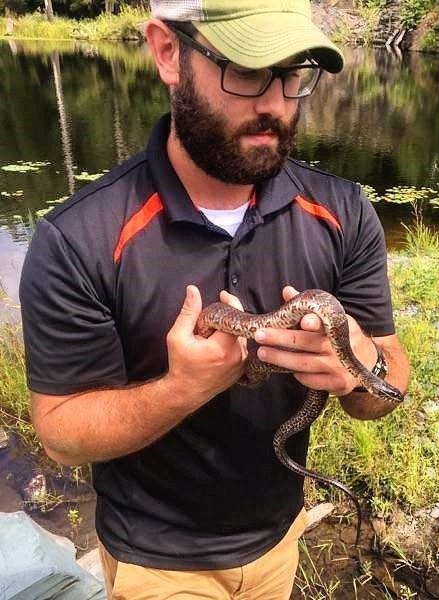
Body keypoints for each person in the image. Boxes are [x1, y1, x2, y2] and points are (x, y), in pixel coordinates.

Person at [19, 0, 411, 598]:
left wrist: (360, 371)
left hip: (279, 539)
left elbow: (389, 381)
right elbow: (59, 434)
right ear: (167, 52)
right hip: (158, 560)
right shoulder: (79, 239)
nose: (274, 103)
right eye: (247, 71)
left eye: (292, 73)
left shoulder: (342, 211)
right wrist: (182, 388)